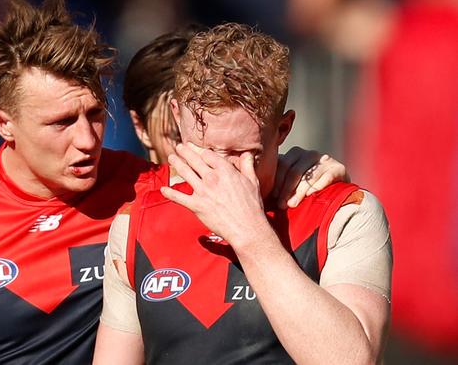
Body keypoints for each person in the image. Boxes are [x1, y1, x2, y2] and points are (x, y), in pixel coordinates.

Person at [0, 1, 351, 364]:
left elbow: (251, 179)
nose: (87, 140)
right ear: (3, 123)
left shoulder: (149, 190)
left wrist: (304, 166)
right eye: (61, 123)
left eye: (94, 113)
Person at [94, 23, 392, 364]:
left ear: (282, 130)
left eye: (242, 153)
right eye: (205, 149)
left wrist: (250, 234)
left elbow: (351, 360)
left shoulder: (344, 214)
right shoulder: (138, 223)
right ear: (177, 117)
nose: (223, 173)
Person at [123, 25, 348, 210]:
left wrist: (329, 184)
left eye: (240, 151)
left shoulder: (294, 189)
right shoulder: (124, 212)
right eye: (178, 136)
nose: (222, 168)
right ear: (140, 127)